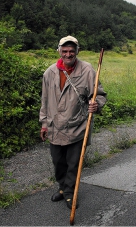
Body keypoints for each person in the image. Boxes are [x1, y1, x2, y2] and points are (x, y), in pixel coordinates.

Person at [39, 35, 107, 209]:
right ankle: (63, 187)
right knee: (58, 162)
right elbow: (45, 101)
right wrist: (44, 123)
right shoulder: (50, 72)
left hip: (77, 126)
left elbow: (99, 94)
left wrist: (96, 105)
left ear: (77, 51)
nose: (68, 54)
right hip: (55, 127)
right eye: (65, 51)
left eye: (71, 51)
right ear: (59, 51)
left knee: (73, 163)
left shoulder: (87, 70)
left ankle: (69, 193)